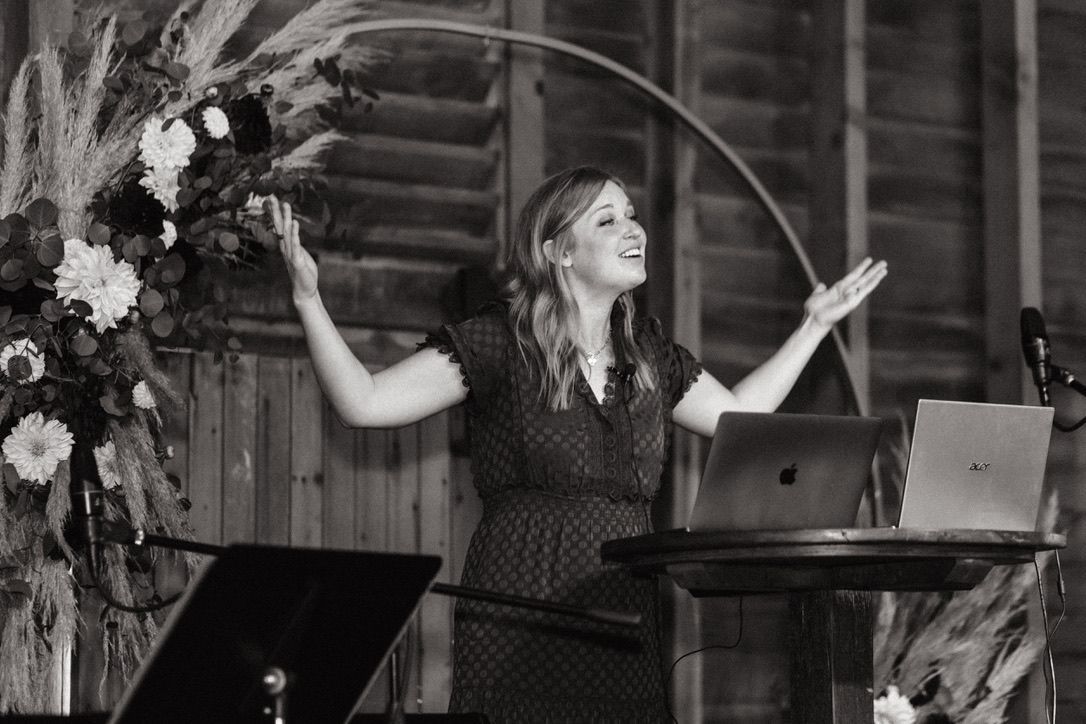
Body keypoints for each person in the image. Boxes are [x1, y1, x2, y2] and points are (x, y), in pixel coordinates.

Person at [268, 166, 886, 723]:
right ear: (559, 251)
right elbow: (364, 404)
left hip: (622, 612)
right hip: (519, 601)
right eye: (607, 219)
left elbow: (742, 416)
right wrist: (308, 300)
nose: (632, 228)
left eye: (632, 214)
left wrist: (814, 326)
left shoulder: (650, 356)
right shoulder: (497, 345)